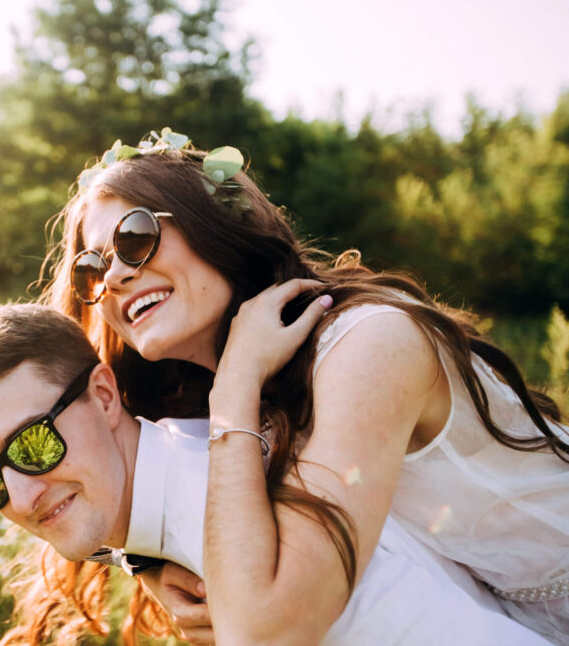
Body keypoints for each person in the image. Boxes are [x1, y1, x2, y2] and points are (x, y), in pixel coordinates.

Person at [40, 128, 569, 644]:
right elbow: (139, 480)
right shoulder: (225, 392)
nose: (113, 279)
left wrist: (235, 391)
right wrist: (149, 563)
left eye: (133, 239)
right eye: (93, 267)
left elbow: (271, 633)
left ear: (213, 224)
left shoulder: (367, 343)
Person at [0, 303, 552, 645]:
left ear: (107, 396)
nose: (21, 495)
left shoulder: (250, 527)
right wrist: (136, 562)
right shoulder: (191, 468)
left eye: (33, 445)